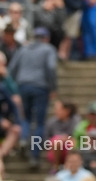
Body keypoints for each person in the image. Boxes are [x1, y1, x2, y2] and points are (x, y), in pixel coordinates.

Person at [9, 27, 57, 169]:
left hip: (23, 85)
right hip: (40, 87)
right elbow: (51, 67)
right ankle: (34, 156)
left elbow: (12, 68)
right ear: (46, 38)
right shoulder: (48, 49)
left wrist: (16, 85)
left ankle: (24, 139)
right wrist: (53, 87)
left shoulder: (23, 49)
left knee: (26, 118)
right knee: (40, 122)